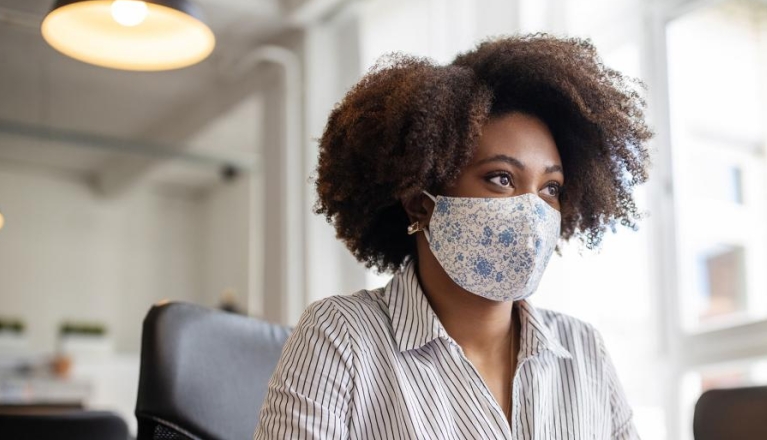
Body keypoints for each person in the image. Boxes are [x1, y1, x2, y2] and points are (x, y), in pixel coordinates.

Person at [254, 34, 651, 439]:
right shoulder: (341, 337)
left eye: (550, 188)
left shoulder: (584, 350)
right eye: (501, 178)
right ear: (419, 203)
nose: (533, 211)